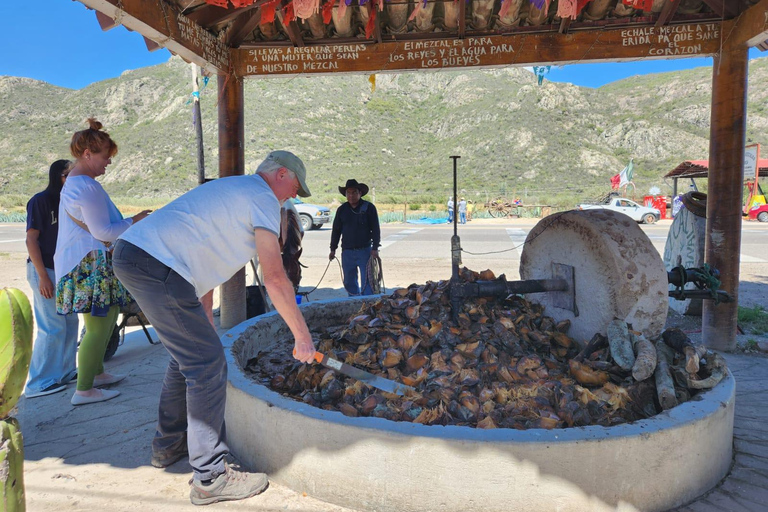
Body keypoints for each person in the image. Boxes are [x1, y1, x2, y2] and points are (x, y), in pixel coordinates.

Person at [112, 150, 316, 506]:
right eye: (296, 187)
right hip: (154, 262)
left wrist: (203, 319)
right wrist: (302, 337)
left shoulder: (233, 191)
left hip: (139, 255)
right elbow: (274, 277)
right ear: (281, 174)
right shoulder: (263, 197)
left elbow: (198, 255)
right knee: (208, 364)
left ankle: (169, 445)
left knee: (188, 356)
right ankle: (211, 477)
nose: (295, 197)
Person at [54, 118, 151, 406]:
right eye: (105, 156)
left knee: (100, 321)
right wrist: (135, 220)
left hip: (79, 263)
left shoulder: (74, 183)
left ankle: (96, 373)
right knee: (100, 324)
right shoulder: (86, 186)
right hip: (90, 265)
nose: (108, 162)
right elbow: (103, 232)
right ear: (87, 154)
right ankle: (83, 389)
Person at [23, 159, 79, 398]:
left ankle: (65, 371)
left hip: (64, 270)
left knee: (70, 323)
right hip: (45, 269)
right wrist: (43, 276)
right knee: (52, 327)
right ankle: (39, 382)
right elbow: (31, 240)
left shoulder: (69, 201)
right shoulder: (40, 201)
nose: (75, 179)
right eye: (71, 175)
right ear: (60, 176)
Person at [329, 179, 381, 296]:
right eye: (349, 193)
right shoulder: (342, 210)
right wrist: (333, 249)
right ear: (345, 194)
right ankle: (354, 306)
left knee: (368, 281)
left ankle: (367, 308)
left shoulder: (369, 208)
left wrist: (375, 248)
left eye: (354, 192)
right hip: (347, 252)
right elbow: (336, 231)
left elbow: (376, 229)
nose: (351, 196)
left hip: (365, 251)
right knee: (349, 281)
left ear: (360, 193)